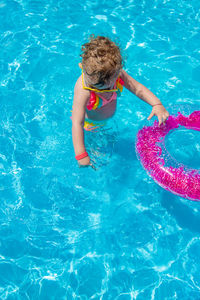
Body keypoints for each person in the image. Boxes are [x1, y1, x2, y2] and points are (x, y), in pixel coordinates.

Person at [72, 35, 169, 167]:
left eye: (105, 87)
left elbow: (138, 88)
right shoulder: (84, 90)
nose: (94, 88)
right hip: (92, 124)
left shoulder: (116, 74)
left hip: (106, 118)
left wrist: (156, 104)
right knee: (98, 147)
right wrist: (81, 154)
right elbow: (77, 123)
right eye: (94, 85)